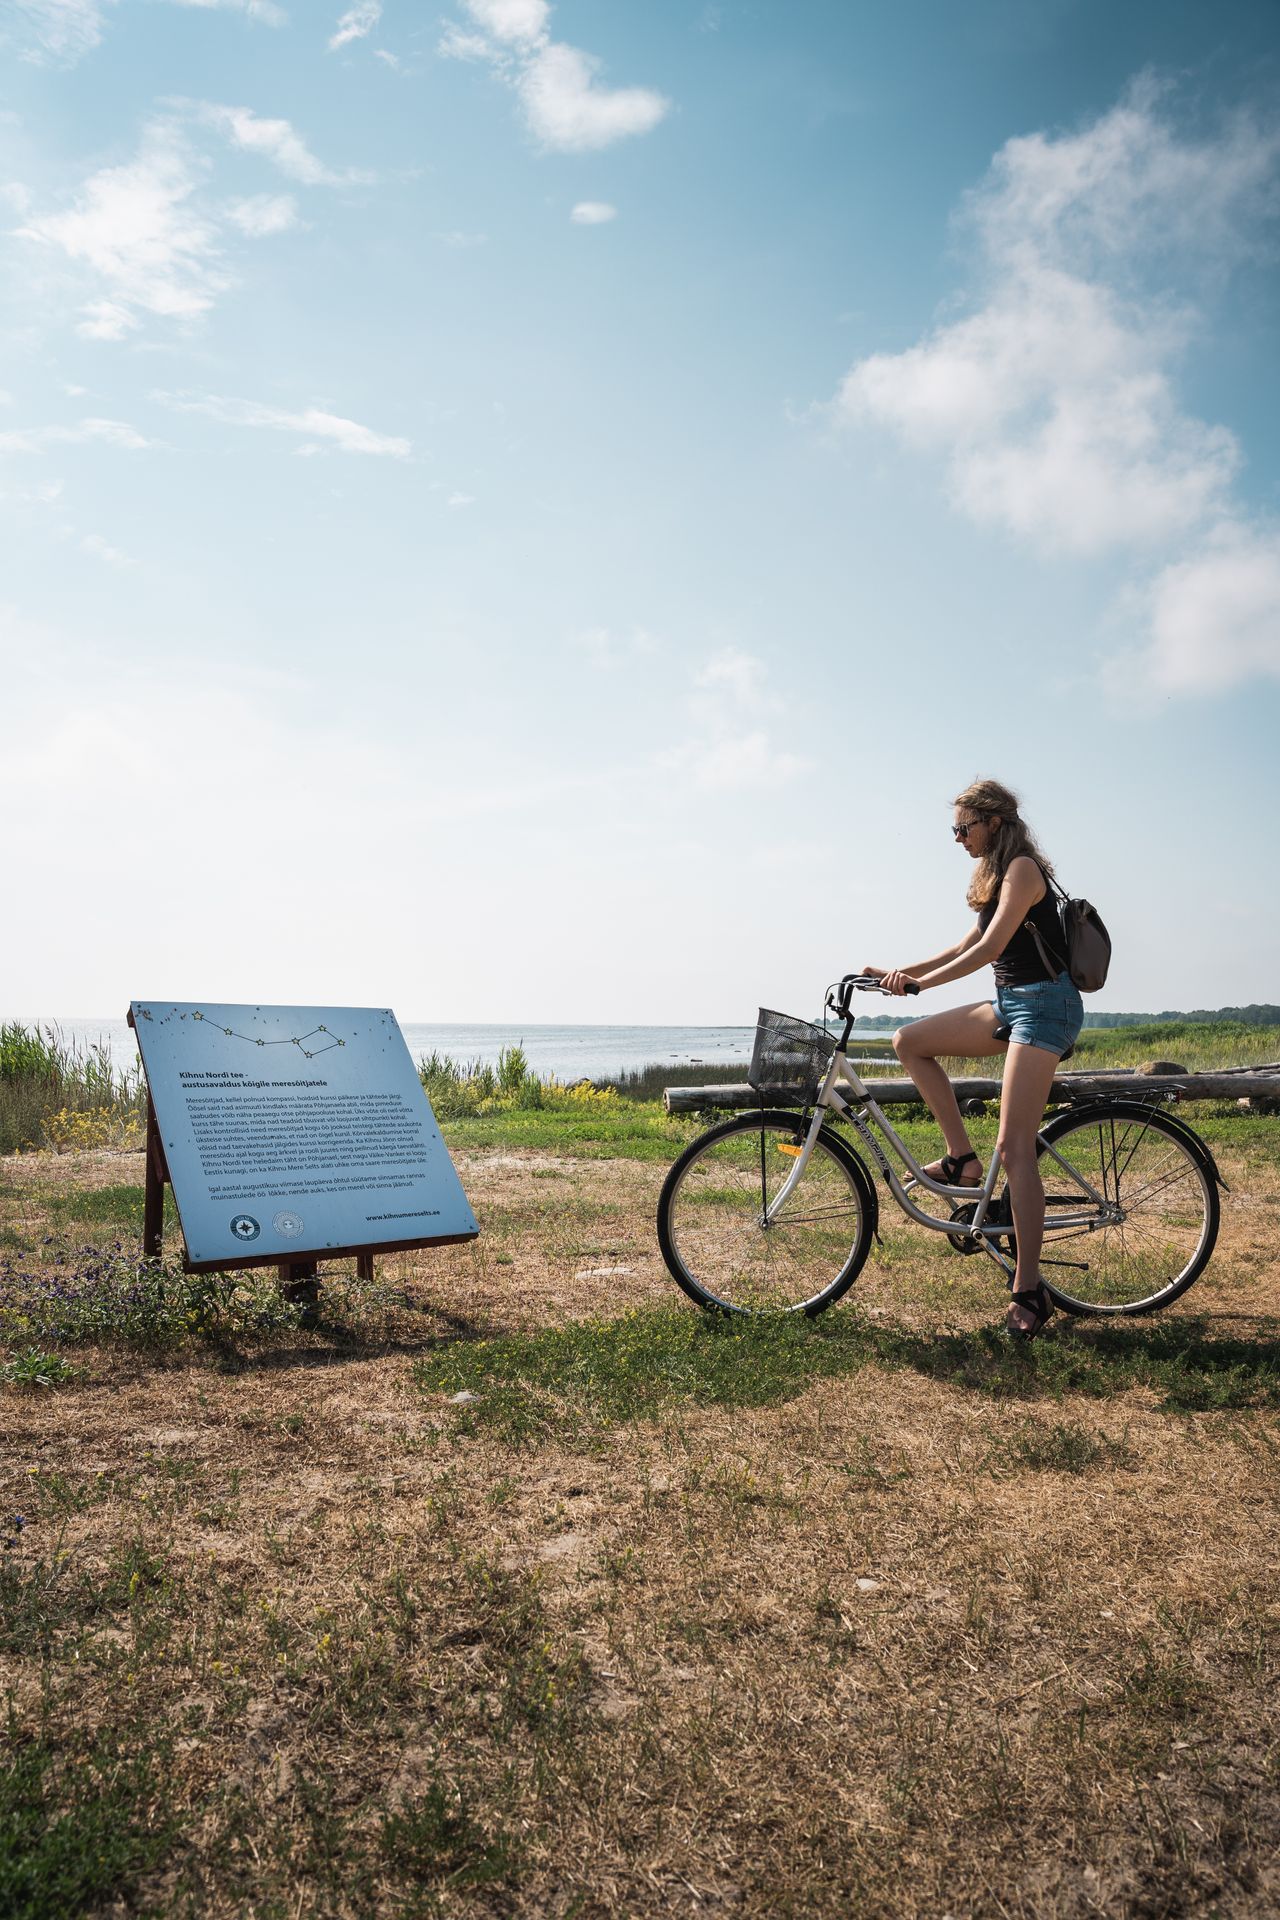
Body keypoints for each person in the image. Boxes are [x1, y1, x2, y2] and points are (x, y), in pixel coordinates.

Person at [862, 778, 1084, 1340]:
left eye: (964, 828)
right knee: (909, 1042)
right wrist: (901, 974)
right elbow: (966, 944)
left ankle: (1029, 1288)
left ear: (995, 821)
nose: (958, 838)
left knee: (1014, 1149)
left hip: (1046, 1008)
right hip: (1011, 1004)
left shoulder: (1024, 870)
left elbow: (988, 950)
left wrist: (921, 986)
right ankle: (961, 1158)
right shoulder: (993, 873)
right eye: (954, 829)